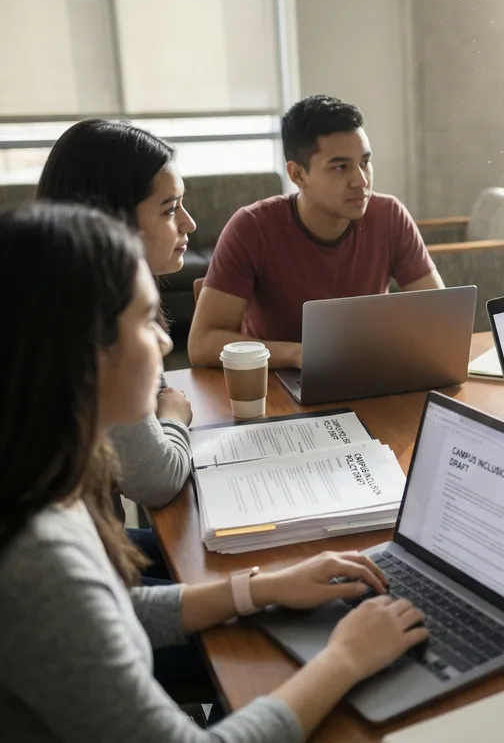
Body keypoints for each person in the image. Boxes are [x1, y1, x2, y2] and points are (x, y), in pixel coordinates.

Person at [0, 204, 429, 741]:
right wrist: (343, 658)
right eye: (144, 321)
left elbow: (112, 608)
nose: (163, 342)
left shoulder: (40, 481)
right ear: (79, 348)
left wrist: (262, 588)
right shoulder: (36, 558)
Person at [189, 95, 443, 369]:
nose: (361, 180)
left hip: (366, 371)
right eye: (340, 167)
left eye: (365, 162)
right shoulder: (251, 227)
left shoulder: (389, 216)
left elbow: (441, 317)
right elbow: (203, 343)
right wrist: (299, 355)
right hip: (278, 385)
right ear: (297, 175)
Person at [35, 119, 194, 513]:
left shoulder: (65, 296)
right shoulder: (90, 326)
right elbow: (155, 479)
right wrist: (174, 417)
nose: (188, 224)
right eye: (170, 209)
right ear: (115, 218)